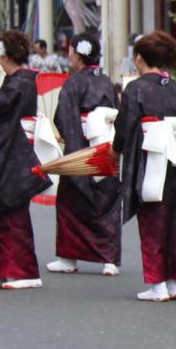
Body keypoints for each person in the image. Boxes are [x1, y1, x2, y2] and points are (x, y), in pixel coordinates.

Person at [113, 31, 176, 301]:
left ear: (139, 59)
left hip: (150, 158)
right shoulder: (174, 87)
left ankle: (157, 285)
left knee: (152, 219)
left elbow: (125, 125)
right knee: (173, 219)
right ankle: (174, 281)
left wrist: (115, 149)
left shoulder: (136, 88)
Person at [0, 30, 51, 291]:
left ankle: (26, 271)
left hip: (13, 153)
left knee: (13, 213)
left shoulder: (19, 83)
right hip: (10, 151)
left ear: (4, 55)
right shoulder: (20, 80)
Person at [47, 34, 122, 278]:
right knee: (107, 202)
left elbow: (64, 118)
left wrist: (75, 149)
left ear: (77, 54)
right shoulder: (107, 82)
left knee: (71, 201)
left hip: (83, 145)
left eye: (69, 50)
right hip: (107, 145)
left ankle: (68, 258)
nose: (68, 54)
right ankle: (109, 259)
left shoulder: (74, 83)